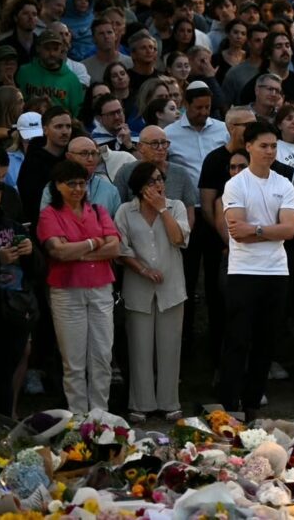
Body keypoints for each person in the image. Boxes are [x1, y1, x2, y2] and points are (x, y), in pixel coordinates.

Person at [218, 123, 294, 422]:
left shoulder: (284, 184)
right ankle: (229, 403)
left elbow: (289, 230)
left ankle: (252, 402)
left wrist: (257, 229)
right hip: (244, 271)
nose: (269, 151)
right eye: (264, 145)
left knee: (266, 342)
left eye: (273, 146)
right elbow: (238, 233)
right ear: (249, 146)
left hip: (276, 271)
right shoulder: (236, 185)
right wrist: (269, 230)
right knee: (238, 340)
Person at [37, 161, 120, 415]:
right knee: (73, 361)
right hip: (67, 291)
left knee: (102, 356)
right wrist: (95, 242)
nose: (77, 188)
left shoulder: (98, 210)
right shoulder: (49, 214)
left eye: (81, 183)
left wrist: (78, 251)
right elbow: (59, 252)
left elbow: (115, 248)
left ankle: (100, 416)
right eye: (70, 183)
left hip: (100, 288)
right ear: (58, 186)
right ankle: (78, 418)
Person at [115, 162, 190, 424]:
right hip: (138, 287)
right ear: (139, 187)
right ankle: (140, 403)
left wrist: (162, 210)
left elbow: (179, 239)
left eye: (160, 180)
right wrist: (143, 270)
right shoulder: (125, 211)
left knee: (170, 347)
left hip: (172, 289)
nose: (158, 185)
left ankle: (170, 402)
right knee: (139, 348)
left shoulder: (176, 206)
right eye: (151, 181)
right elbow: (121, 249)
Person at [0, 179, 41, 419]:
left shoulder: (14, 227)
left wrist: (30, 252)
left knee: (6, 371)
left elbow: (38, 270)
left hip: (14, 308)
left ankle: (5, 422)